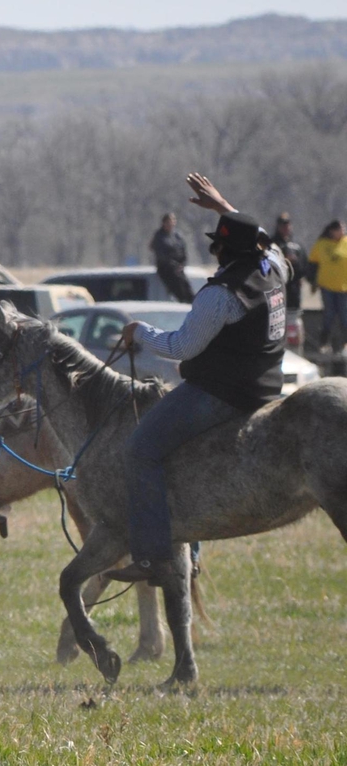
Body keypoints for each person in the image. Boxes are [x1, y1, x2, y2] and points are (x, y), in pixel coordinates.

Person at [107, 173, 289, 586]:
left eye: (218, 245)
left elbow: (181, 347)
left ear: (224, 251)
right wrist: (225, 205)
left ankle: (155, 559)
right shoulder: (275, 268)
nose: (215, 252)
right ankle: (190, 547)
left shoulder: (220, 294)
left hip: (223, 394)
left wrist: (140, 332)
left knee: (140, 450)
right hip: (267, 387)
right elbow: (269, 244)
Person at [309, 220, 347, 367]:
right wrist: (312, 281)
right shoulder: (322, 244)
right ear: (332, 230)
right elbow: (313, 262)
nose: (342, 231)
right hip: (327, 286)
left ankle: (345, 345)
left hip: (344, 287)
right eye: (339, 229)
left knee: (345, 316)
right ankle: (324, 343)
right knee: (329, 315)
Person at [271, 212, 309, 350]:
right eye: (282, 225)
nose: (285, 228)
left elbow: (305, 267)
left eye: (287, 224)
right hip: (277, 293)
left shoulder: (297, 246)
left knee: (294, 327)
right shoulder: (272, 244)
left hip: (293, 294)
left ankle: (296, 351)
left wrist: (295, 263)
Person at [150, 213, 194, 303]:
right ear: (163, 223)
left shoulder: (177, 235)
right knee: (176, 285)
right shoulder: (159, 236)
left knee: (186, 285)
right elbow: (161, 255)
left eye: (172, 222)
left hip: (178, 268)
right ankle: (182, 300)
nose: (170, 224)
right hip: (166, 268)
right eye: (168, 222)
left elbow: (183, 250)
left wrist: (182, 264)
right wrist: (174, 265)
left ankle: (191, 300)